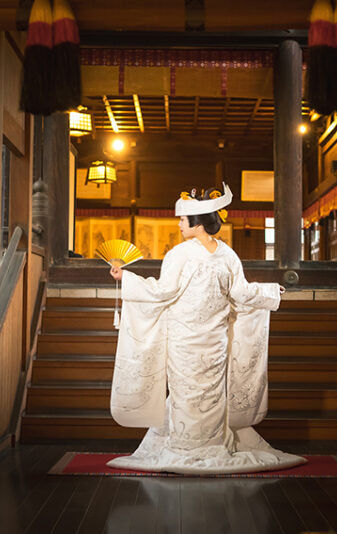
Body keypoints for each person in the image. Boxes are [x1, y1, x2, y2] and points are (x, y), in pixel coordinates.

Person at [106, 183, 305, 474]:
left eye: (182, 220)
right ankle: (209, 442)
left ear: (197, 223)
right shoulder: (227, 254)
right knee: (207, 392)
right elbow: (242, 293)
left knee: (191, 392)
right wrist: (271, 292)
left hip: (187, 339)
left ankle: (185, 445)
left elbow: (162, 291)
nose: (179, 224)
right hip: (214, 340)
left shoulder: (180, 254)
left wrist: (127, 277)